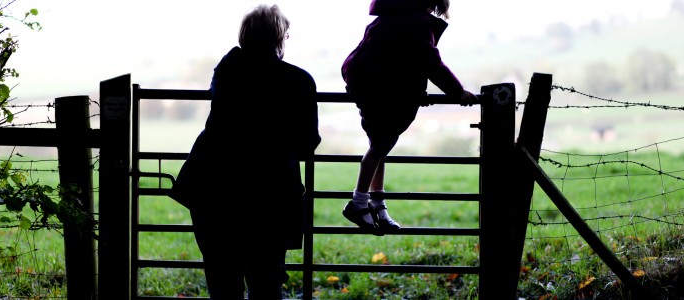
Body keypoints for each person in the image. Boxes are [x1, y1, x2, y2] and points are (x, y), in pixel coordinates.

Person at [168, 4, 320, 299]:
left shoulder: (226, 72)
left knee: (223, 280)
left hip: (213, 189)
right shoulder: (299, 80)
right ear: (280, 38)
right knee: (265, 281)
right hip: (270, 194)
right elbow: (307, 142)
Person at [340, 0, 477, 236]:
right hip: (380, 91)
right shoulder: (415, 23)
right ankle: (359, 202)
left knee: (380, 145)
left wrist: (414, 91)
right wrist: (457, 92)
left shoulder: (389, 18)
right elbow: (430, 62)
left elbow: (397, 61)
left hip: (368, 85)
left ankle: (377, 205)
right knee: (380, 145)